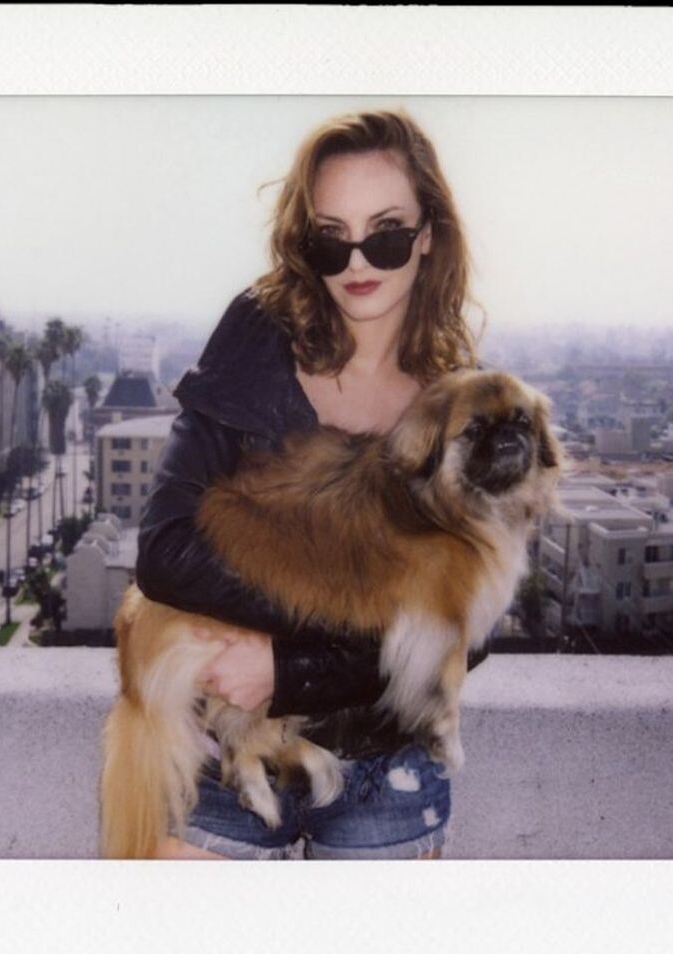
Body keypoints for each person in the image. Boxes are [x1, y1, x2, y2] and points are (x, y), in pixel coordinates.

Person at [135, 108, 488, 860]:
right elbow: (165, 551)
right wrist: (375, 607)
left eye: (386, 234)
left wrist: (287, 668)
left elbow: (469, 627)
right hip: (225, 751)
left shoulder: (459, 406)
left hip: (386, 767)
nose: (358, 261)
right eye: (332, 237)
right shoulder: (258, 335)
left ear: (428, 234)